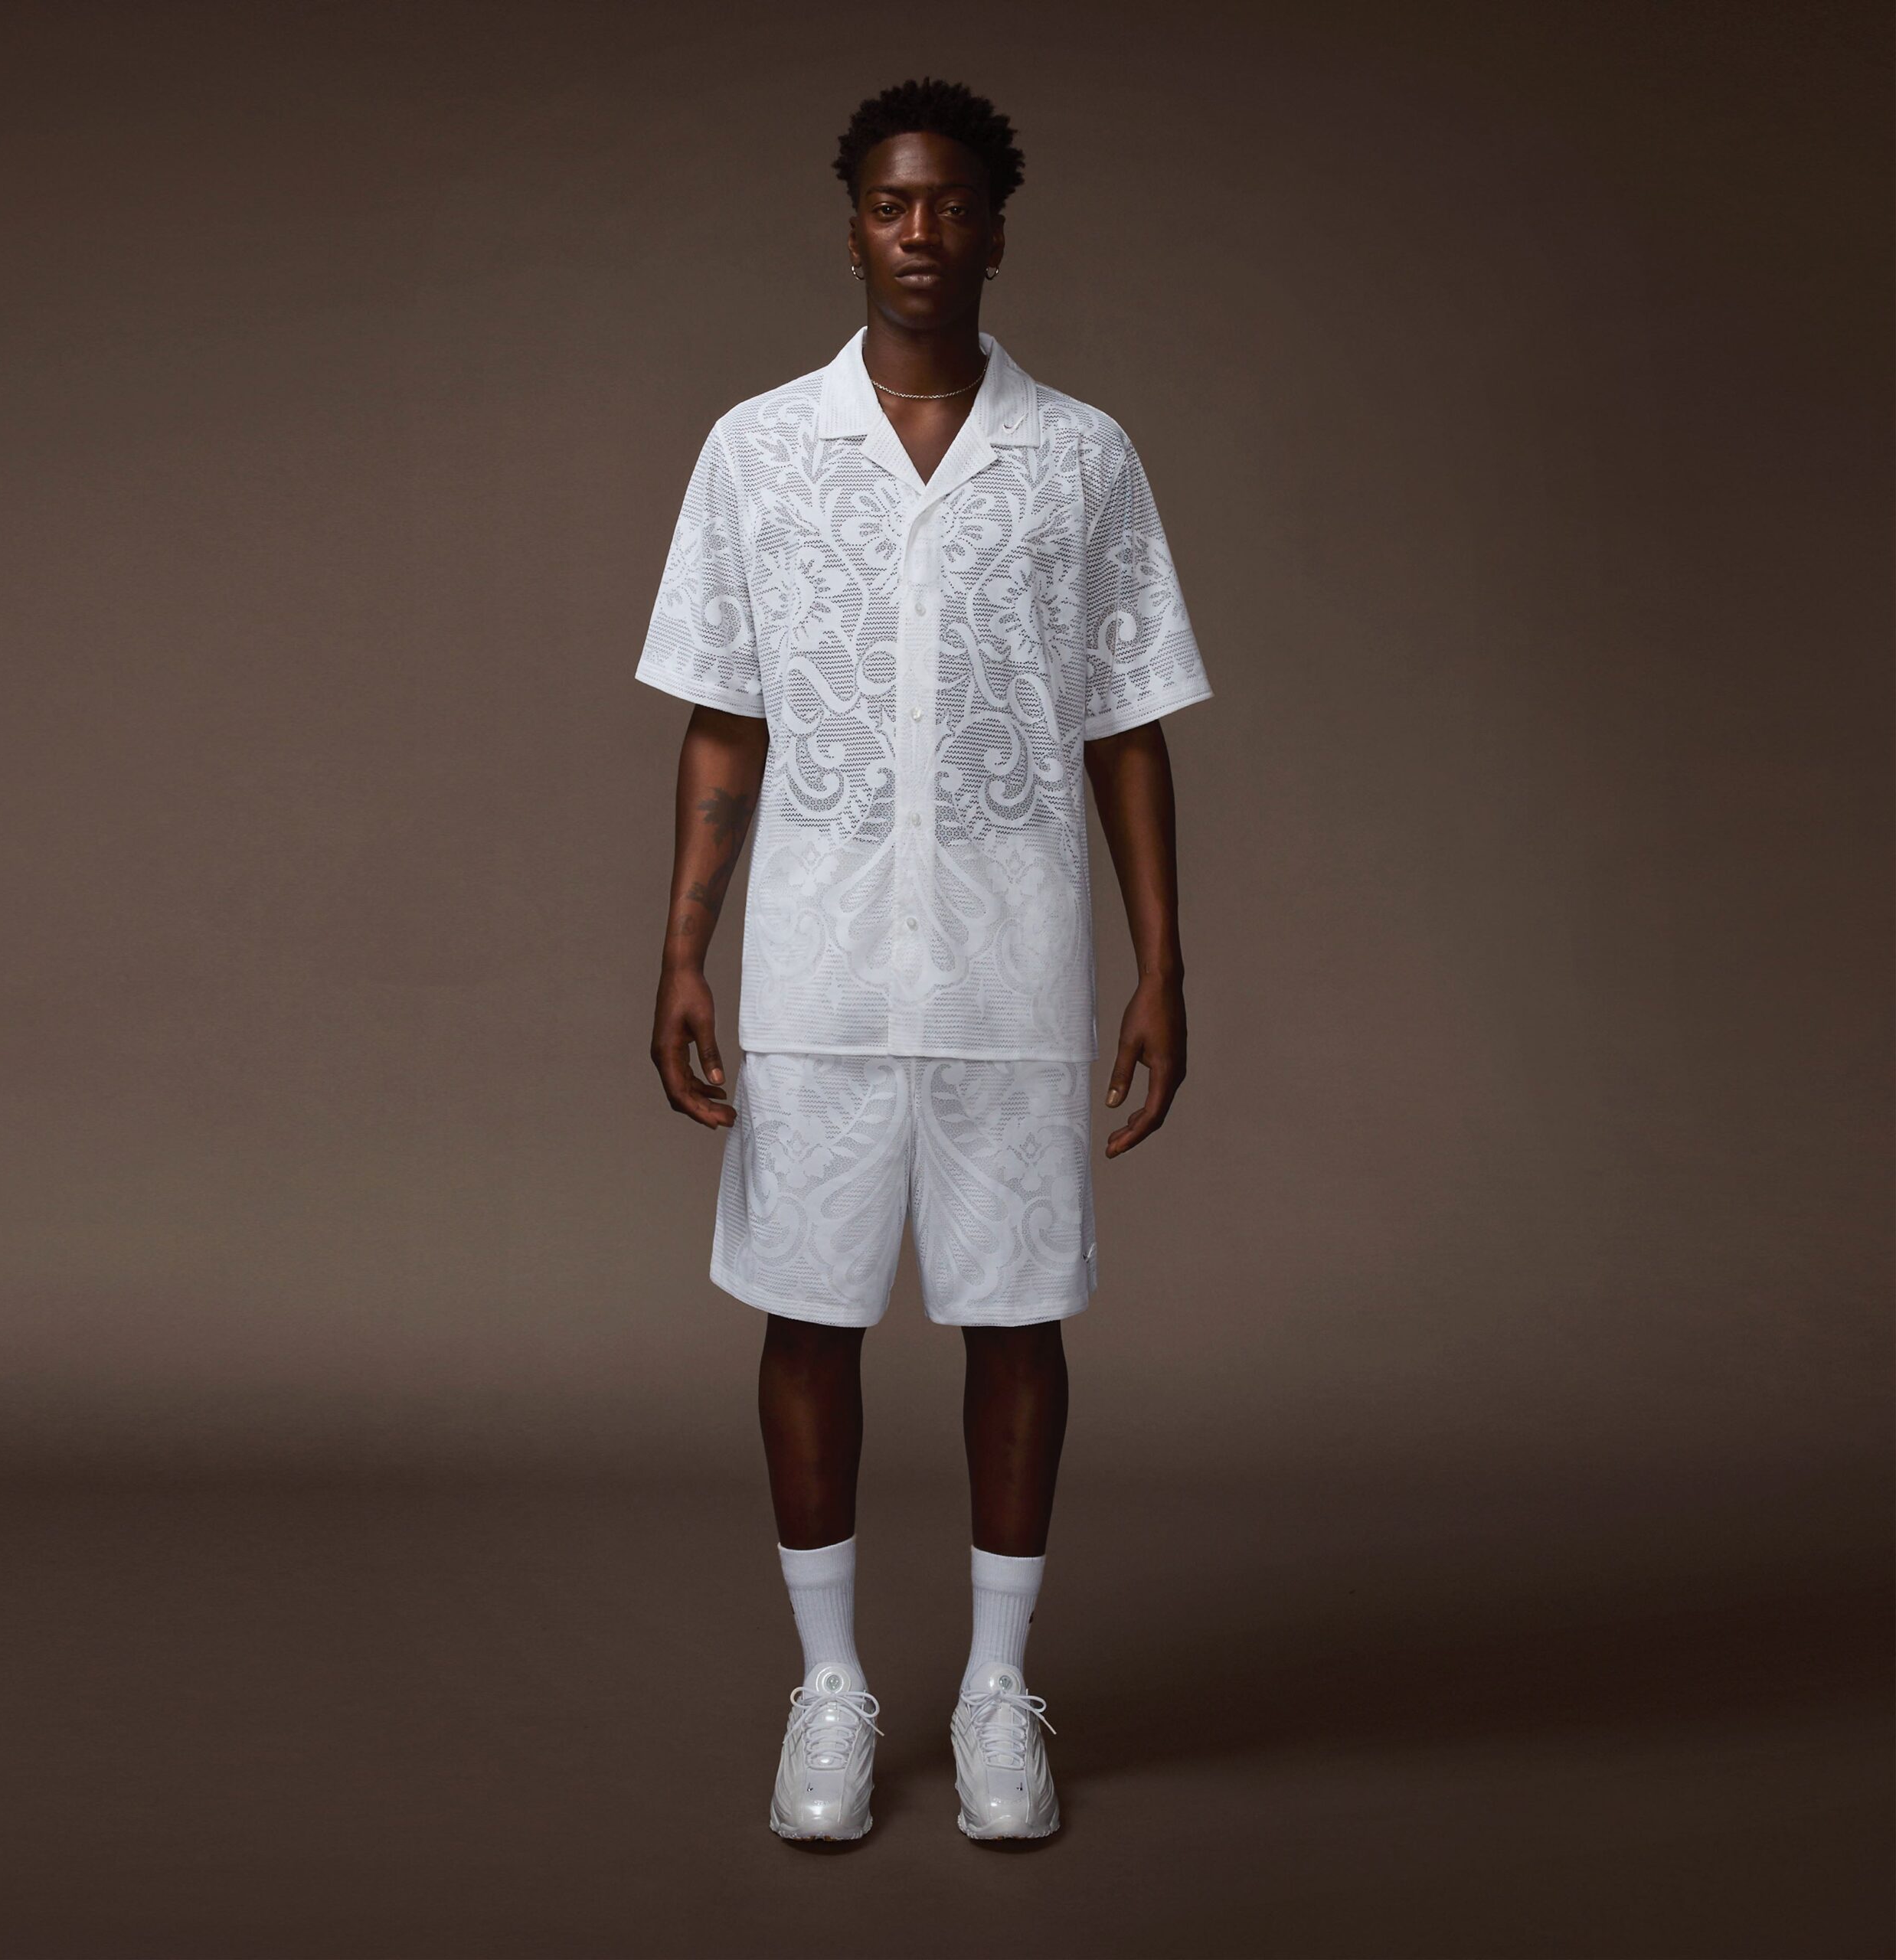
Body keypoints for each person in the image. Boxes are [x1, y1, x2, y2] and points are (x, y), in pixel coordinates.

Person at [635, 76, 1212, 1844]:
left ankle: (993, 1689)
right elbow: (723, 716)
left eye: (949, 203)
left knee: (1014, 1315)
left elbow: (1125, 724)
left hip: (1006, 964)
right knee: (807, 1312)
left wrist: (1162, 963)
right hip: (813, 967)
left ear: (994, 230)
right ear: (849, 224)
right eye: (890, 202)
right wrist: (681, 949)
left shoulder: (1080, 457)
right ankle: (827, 1685)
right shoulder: (755, 450)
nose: (917, 231)